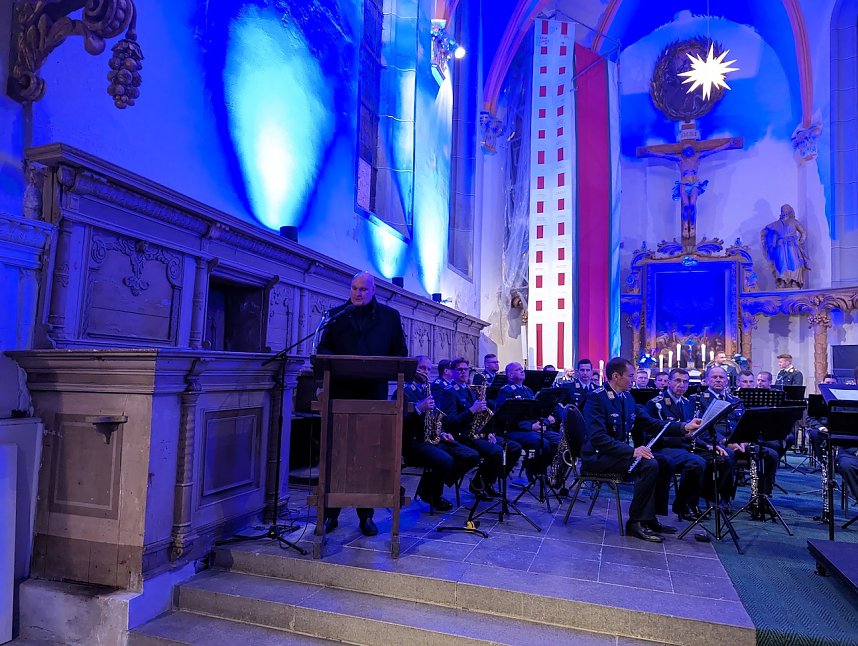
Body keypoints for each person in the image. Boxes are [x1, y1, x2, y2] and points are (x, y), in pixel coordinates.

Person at [315, 271, 408, 537]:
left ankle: (366, 516)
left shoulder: (390, 317)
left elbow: (400, 352)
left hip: (372, 394)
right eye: (354, 288)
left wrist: (375, 364)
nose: (357, 293)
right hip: (340, 393)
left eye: (363, 289)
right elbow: (323, 348)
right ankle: (330, 514)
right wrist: (338, 360)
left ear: (373, 290)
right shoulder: (336, 315)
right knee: (337, 453)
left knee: (369, 455)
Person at [581, 357, 673, 542]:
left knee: (665, 462)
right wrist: (632, 451)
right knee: (648, 465)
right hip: (599, 457)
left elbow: (651, 423)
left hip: (617, 454)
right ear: (616, 376)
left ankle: (650, 518)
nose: (633, 379)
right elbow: (598, 438)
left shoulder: (627, 397)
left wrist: (684, 427)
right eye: (630, 376)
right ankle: (636, 522)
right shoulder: (597, 398)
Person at [401, 355, 480, 512]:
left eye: (428, 369)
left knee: (471, 455)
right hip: (414, 441)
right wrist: (418, 408)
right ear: (412, 369)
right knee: (446, 460)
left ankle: (428, 485)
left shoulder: (426, 390)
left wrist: (442, 432)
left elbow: (434, 417)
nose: (425, 372)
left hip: (432, 438)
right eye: (422, 368)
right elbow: (400, 421)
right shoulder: (404, 391)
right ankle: (434, 495)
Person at [440, 357, 522, 499]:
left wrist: (488, 432)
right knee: (497, 451)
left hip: (478, 433)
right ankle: (478, 483)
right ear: (452, 372)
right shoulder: (449, 392)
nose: (463, 372)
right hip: (462, 436)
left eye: (466, 369)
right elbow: (450, 422)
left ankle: (488, 480)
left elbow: (481, 418)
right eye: (459, 370)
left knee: (514, 448)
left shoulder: (469, 390)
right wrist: (472, 410)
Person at [635, 368, 706, 522]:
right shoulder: (656, 403)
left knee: (716, 458)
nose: (682, 385)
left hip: (683, 448)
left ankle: (697, 503)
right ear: (668, 382)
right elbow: (651, 433)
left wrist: (708, 446)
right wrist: (683, 436)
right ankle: (683, 505)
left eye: (685, 382)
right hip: (663, 448)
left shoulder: (687, 403)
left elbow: (693, 431)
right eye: (678, 380)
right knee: (696, 462)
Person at [494, 362, 557, 478]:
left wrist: (542, 423)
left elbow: (535, 411)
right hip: (515, 430)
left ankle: (540, 468)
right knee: (543, 443)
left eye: (522, 369)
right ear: (510, 375)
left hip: (533, 427)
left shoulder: (527, 390)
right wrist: (530, 427)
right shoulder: (506, 391)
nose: (522, 371)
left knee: (558, 441)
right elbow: (504, 417)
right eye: (518, 369)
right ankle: (533, 470)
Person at [761, 204, 811, 289]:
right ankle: (782, 281)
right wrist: (770, 243)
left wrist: (800, 241)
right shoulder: (776, 224)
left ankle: (794, 281)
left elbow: (803, 233)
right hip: (780, 246)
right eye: (782, 209)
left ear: (790, 210)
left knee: (795, 263)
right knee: (781, 263)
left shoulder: (794, 221)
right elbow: (766, 231)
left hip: (792, 246)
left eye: (785, 209)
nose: (783, 210)